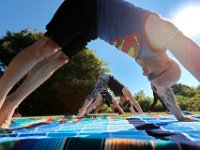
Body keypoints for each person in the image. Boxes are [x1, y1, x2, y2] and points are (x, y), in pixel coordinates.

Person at [0, 0, 199, 127]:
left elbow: (164, 89)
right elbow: (193, 57)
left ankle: (11, 104)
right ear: (167, 61)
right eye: (152, 74)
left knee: (59, 59)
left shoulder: (157, 66)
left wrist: (180, 117)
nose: (144, 74)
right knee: (47, 47)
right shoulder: (159, 32)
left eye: (149, 78)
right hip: (89, 5)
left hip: (93, 30)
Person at [77, 73, 143, 117]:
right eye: (123, 102)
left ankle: (86, 113)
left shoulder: (120, 95)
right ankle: (83, 110)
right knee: (94, 93)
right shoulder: (125, 90)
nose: (121, 102)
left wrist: (134, 114)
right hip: (106, 77)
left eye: (122, 103)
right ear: (127, 98)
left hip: (105, 86)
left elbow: (128, 105)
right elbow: (134, 103)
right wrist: (142, 114)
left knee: (99, 100)